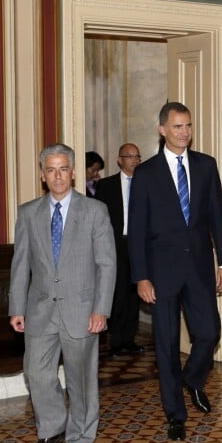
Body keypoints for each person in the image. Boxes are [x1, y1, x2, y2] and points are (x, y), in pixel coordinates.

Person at [127, 102, 222, 442]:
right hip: (161, 274)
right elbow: (137, 229)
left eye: (187, 126)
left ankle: (191, 378)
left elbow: (217, 218)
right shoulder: (145, 174)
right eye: (177, 127)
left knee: (210, 332)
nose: (184, 132)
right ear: (162, 130)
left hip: (200, 269)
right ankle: (175, 414)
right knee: (167, 345)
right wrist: (141, 276)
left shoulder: (206, 166)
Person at [9, 143, 116, 443]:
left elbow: (107, 265)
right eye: (51, 170)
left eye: (63, 169)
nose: (58, 176)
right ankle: (51, 429)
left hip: (82, 311)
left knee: (81, 379)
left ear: (73, 173)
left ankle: (81, 439)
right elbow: (20, 263)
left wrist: (101, 309)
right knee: (37, 374)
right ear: (43, 175)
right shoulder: (28, 212)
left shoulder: (94, 211)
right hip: (40, 310)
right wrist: (17, 307)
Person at [95, 143, 145, 357]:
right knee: (117, 293)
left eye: (137, 156)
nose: (134, 160)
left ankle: (129, 339)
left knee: (135, 293)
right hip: (114, 245)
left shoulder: (147, 184)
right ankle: (116, 342)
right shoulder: (105, 185)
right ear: (119, 159)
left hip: (139, 245)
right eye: (129, 156)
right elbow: (97, 218)